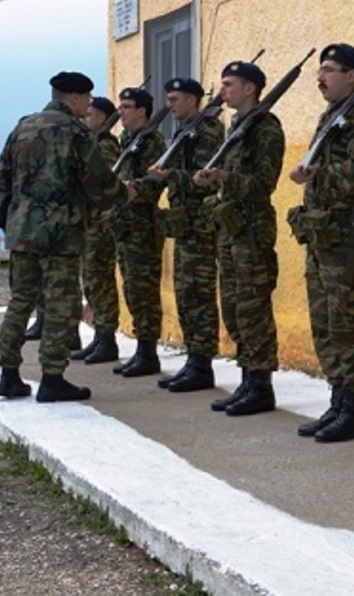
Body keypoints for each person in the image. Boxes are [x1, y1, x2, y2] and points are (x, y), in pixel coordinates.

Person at [0, 71, 125, 402]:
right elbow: (98, 184)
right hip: (61, 234)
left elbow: (1, 179)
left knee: (21, 301)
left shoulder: (23, 126)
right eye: (87, 99)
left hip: (22, 230)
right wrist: (126, 193)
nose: (89, 105)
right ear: (74, 97)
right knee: (61, 304)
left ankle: (8, 374)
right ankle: (52, 378)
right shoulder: (76, 132)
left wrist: (11, 220)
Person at [287, 43, 354, 442]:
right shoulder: (333, 116)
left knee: (350, 322)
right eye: (320, 70)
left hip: (350, 238)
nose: (321, 77)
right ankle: (338, 400)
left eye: (330, 70)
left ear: (353, 76)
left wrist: (319, 173)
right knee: (326, 323)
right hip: (324, 238)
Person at [193, 61, 284, 417]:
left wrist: (225, 177)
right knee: (233, 309)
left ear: (250, 88)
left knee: (253, 311)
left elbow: (263, 184)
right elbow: (232, 179)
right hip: (230, 232)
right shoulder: (236, 126)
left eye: (229, 84)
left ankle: (261, 385)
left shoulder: (265, 129)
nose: (222, 91)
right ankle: (247, 379)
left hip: (252, 234)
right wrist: (212, 179)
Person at [144, 78, 223, 392]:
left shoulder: (209, 131)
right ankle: (194, 359)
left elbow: (207, 178)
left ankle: (202, 364)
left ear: (193, 100)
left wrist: (171, 175)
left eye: (175, 99)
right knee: (186, 294)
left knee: (199, 294)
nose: (170, 105)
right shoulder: (182, 131)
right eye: (169, 99)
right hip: (183, 224)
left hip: (200, 223)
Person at [111, 87, 168, 377]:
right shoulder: (127, 140)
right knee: (131, 288)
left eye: (127, 107)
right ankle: (140, 349)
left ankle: (149, 352)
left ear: (142, 111)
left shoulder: (153, 141)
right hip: (124, 223)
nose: (120, 112)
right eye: (120, 107)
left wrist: (133, 190)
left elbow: (155, 182)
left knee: (144, 290)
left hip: (142, 224)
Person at [72, 95, 123, 364]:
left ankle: (107, 338)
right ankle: (100, 337)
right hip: (89, 222)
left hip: (101, 222)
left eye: (90, 114)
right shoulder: (92, 144)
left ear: (103, 118)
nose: (85, 118)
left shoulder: (105, 146)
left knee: (101, 281)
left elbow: (103, 182)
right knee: (91, 281)